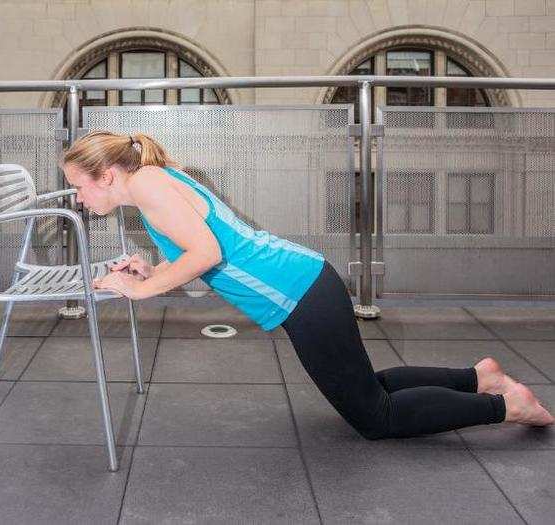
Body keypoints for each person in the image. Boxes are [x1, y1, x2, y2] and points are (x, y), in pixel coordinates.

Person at [60, 130, 554, 439]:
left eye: (79, 186)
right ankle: (478, 377)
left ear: (105, 176)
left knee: (375, 417)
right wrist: (151, 271)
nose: (79, 199)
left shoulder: (147, 186)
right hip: (304, 283)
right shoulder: (154, 180)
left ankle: (504, 406)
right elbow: (210, 254)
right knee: (368, 387)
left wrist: (141, 290)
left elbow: (207, 254)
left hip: (299, 292)